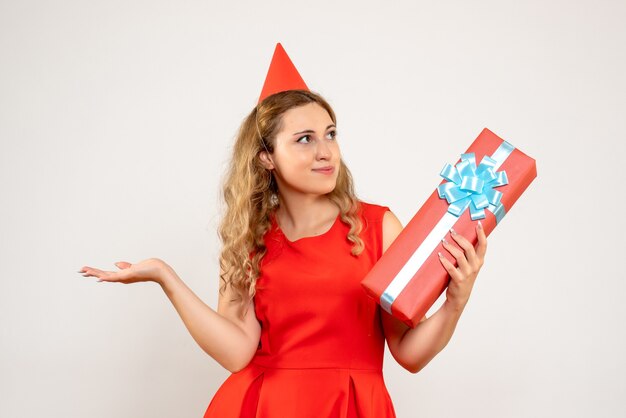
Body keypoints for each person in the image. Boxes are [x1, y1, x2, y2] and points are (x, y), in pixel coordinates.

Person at [78, 43, 487, 418]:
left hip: (352, 406)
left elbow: (408, 353)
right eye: (304, 139)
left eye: (330, 134)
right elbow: (237, 351)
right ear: (267, 157)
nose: (325, 151)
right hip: (262, 406)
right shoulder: (249, 239)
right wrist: (164, 276)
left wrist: (454, 302)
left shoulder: (379, 227)